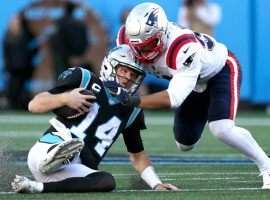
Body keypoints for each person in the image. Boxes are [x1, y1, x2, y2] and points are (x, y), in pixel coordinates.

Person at [110, 3, 270, 189]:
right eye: (137, 46)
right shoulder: (125, 38)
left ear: (161, 34)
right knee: (184, 144)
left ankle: (266, 164)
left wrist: (134, 101)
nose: (141, 53)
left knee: (221, 128)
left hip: (220, 70)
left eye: (149, 45)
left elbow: (174, 97)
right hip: (192, 81)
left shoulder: (182, 47)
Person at [11, 45, 178, 193]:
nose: (128, 77)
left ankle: (35, 187)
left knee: (106, 181)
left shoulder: (132, 110)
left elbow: (138, 156)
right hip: (49, 145)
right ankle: (57, 156)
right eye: (124, 70)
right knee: (74, 146)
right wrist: (65, 99)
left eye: (133, 75)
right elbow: (34, 105)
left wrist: (156, 184)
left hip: (74, 169)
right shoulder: (84, 79)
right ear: (110, 65)